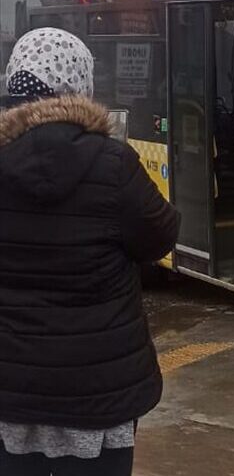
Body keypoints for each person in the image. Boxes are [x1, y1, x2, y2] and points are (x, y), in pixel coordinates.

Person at [0, 27, 179, 475]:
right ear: (81, 83)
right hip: (100, 389)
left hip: (10, 386)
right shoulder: (114, 163)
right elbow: (161, 237)